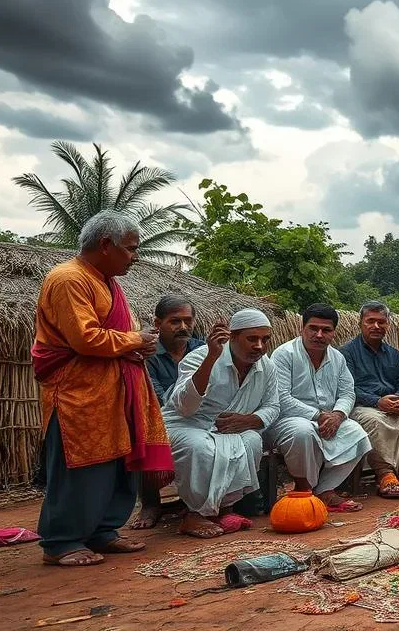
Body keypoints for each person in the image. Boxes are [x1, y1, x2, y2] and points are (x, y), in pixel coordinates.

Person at [32, 210, 172, 567]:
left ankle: (103, 531)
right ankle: (62, 541)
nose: (135, 256)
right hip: (80, 393)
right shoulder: (68, 279)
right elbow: (85, 338)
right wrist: (134, 340)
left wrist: (141, 344)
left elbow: (121, 334)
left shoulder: (108, 281)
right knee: (81, 466)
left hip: (114, 390)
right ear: (106, 245)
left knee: (116, 464)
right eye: (130, 249)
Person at [163, 309, 280, 538]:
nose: (259, 346)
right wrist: (210, 359)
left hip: (234, 430)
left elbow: (273, 407)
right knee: (200, 448)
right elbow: (183, 406)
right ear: (233, 337)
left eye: (264, 339)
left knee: (252, 440)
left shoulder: (267, 367)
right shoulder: (199, 357)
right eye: (252, 339)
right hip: (187, 425)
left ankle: (226, 509)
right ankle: (194, 514)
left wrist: (250, 420)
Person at [269, 304, 371, 512]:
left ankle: (325, 489)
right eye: (313, 328)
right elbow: (280, 398)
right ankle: (304, 489)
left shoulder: (337, 358)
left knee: (358, 435)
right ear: (302, 328)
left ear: (334, 332)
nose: (319, 335)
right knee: (302, 431)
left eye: (326, 330)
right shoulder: (284, 354)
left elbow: (347, 393)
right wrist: (318, 415)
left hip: (328, 420)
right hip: (288, 419)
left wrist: (338, 415)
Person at [131, 295, 205, 530]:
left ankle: (194, 501)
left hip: (199, 415)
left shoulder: (202, 349)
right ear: (158, 322)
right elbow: (154, 394)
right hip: (159, 415)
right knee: (143, 429)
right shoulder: (147, 353)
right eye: (175, 321)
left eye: (187, 321)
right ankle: (150, 503)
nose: (183, 327)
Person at [339, 301, 399, 498]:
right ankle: (384, 475)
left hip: (392, 404)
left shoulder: (393, 354)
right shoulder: (347, 353)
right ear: (360, 323)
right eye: (371, 321)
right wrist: (378, 402)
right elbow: (348, 389)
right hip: (362, 406)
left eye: (381, 322)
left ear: (388, 324)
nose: (376, 326)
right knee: (374, 420)